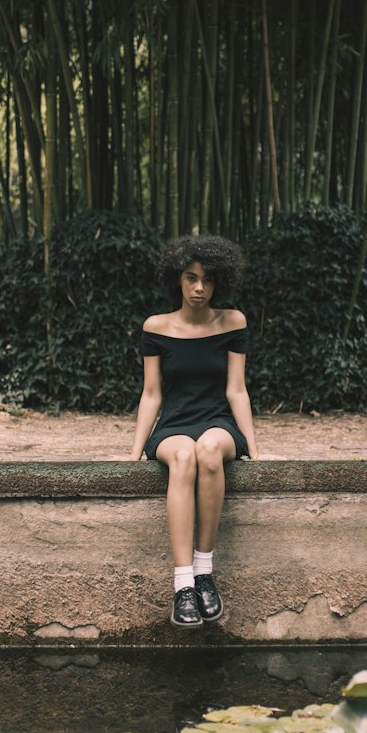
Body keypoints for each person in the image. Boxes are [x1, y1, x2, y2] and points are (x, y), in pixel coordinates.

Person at [128, 234, 259, 627]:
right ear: (177, 280)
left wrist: (255, 447)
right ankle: (182, 585)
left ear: (220, 282)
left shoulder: (233, 321)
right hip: (173, 425)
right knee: (184, 455)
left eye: (207, 279)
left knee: (207, 450)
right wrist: (134, 451)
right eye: (190, 278)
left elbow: (236, 389)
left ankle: (204, 572)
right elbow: (151, 394)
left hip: (218, 422)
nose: (199, 288)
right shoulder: (156, 327)